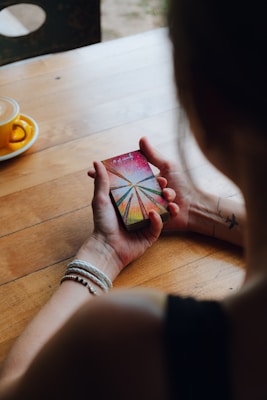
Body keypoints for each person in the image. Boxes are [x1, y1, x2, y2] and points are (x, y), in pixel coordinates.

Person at [0, 0, 264, 398]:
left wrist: (101, 254)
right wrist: (197, 208)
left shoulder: (121, 343)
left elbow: (12, 388)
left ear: (204, 101)